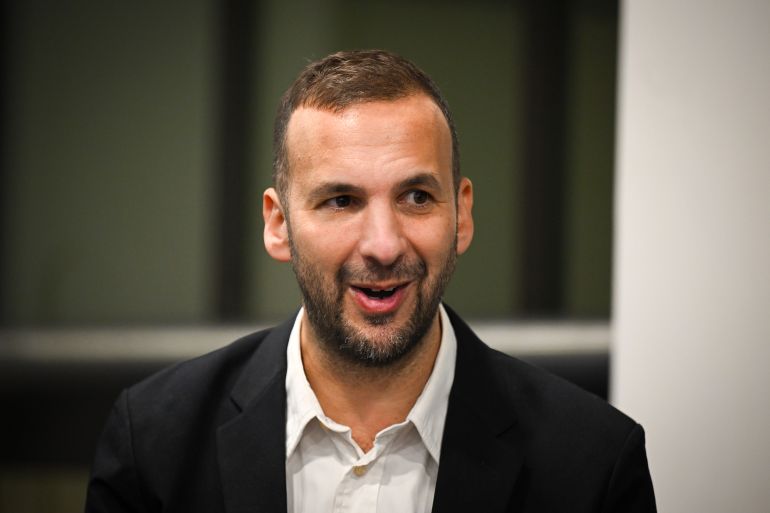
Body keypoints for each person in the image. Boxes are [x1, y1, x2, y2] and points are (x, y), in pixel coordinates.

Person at [85, 50, 656, 513]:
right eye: (341, 200)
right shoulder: (153, 443)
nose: (383, 245)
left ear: (462, 215)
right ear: (278, 225)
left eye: (416, 197)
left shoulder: (594, 465)